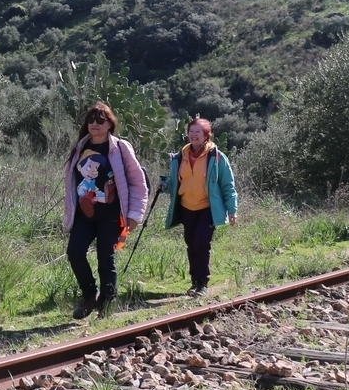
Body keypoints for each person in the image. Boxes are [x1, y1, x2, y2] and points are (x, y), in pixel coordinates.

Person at [64, 102, 147, 319]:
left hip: (110, 215)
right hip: (83, 215)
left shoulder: (120, 148)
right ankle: (90, 296)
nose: (95, 124)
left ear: (110, 124)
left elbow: (137, 182)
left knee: (105, 260)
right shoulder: (80, 147)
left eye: (100, 120)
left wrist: (135, 215)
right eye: (91, 120)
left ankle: (107, 304)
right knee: (74, 252)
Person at [160, 117, 239, 297]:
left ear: (206, 136)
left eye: (198, 132)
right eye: (191, 131)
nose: (194, 135)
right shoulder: (180, 157)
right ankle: (194, 281)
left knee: (201, 242)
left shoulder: (217, 157)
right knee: (191, 244)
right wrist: (165, 186)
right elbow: (175, 183)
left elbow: (228, 185)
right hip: (187, 207)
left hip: (207, 208)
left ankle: (203, 283)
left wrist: (232, 210)